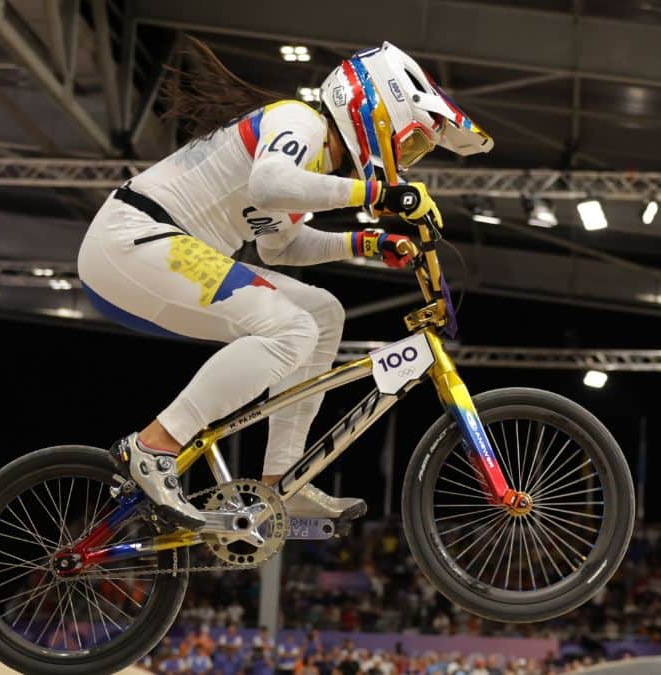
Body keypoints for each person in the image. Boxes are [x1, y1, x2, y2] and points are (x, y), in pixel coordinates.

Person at [78, 37, 492, 529]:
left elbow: (281, 247)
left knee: (322, 313)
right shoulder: (299, 120)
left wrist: (365, 244)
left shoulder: (313, 167)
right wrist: (381, 194)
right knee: (292, 330)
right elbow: (269, 185)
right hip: (135, 238)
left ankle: (280, 482)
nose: (408, 160)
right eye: (413, 143)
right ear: (376, 111)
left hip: (161, 249)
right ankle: (154, 446)